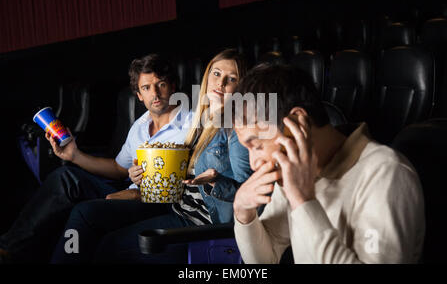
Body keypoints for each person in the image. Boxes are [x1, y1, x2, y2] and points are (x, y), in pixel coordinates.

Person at [50, 48, 252, 263]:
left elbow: (250, 196)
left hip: (199, 223)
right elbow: (165, 176)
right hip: (175, 205)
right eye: (216, 73)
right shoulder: (203, 121)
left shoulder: (235, 128)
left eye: (231, 79)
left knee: (107, 247)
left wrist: (216, 181)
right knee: (84, 210)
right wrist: (141, 181)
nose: (220, 83)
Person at [0, 54, 192, 263]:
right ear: (138, 95)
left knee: (84, 213)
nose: (154, 93)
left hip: (159, 201)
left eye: (160, 84)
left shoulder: (192, 123)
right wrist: (74, 155)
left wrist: (140, 192)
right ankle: (9, 250)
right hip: (132, 190)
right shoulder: (140, 125)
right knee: (65, 177)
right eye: (146, 88)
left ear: (172, 86)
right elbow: (119, 169)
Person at [232, 63, 425, 264]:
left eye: (257, 145)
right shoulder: (295, 170)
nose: (254, 164)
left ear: (297, 123)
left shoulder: (388, 173)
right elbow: (265, 259)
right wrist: (243, 213)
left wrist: (303, 201)